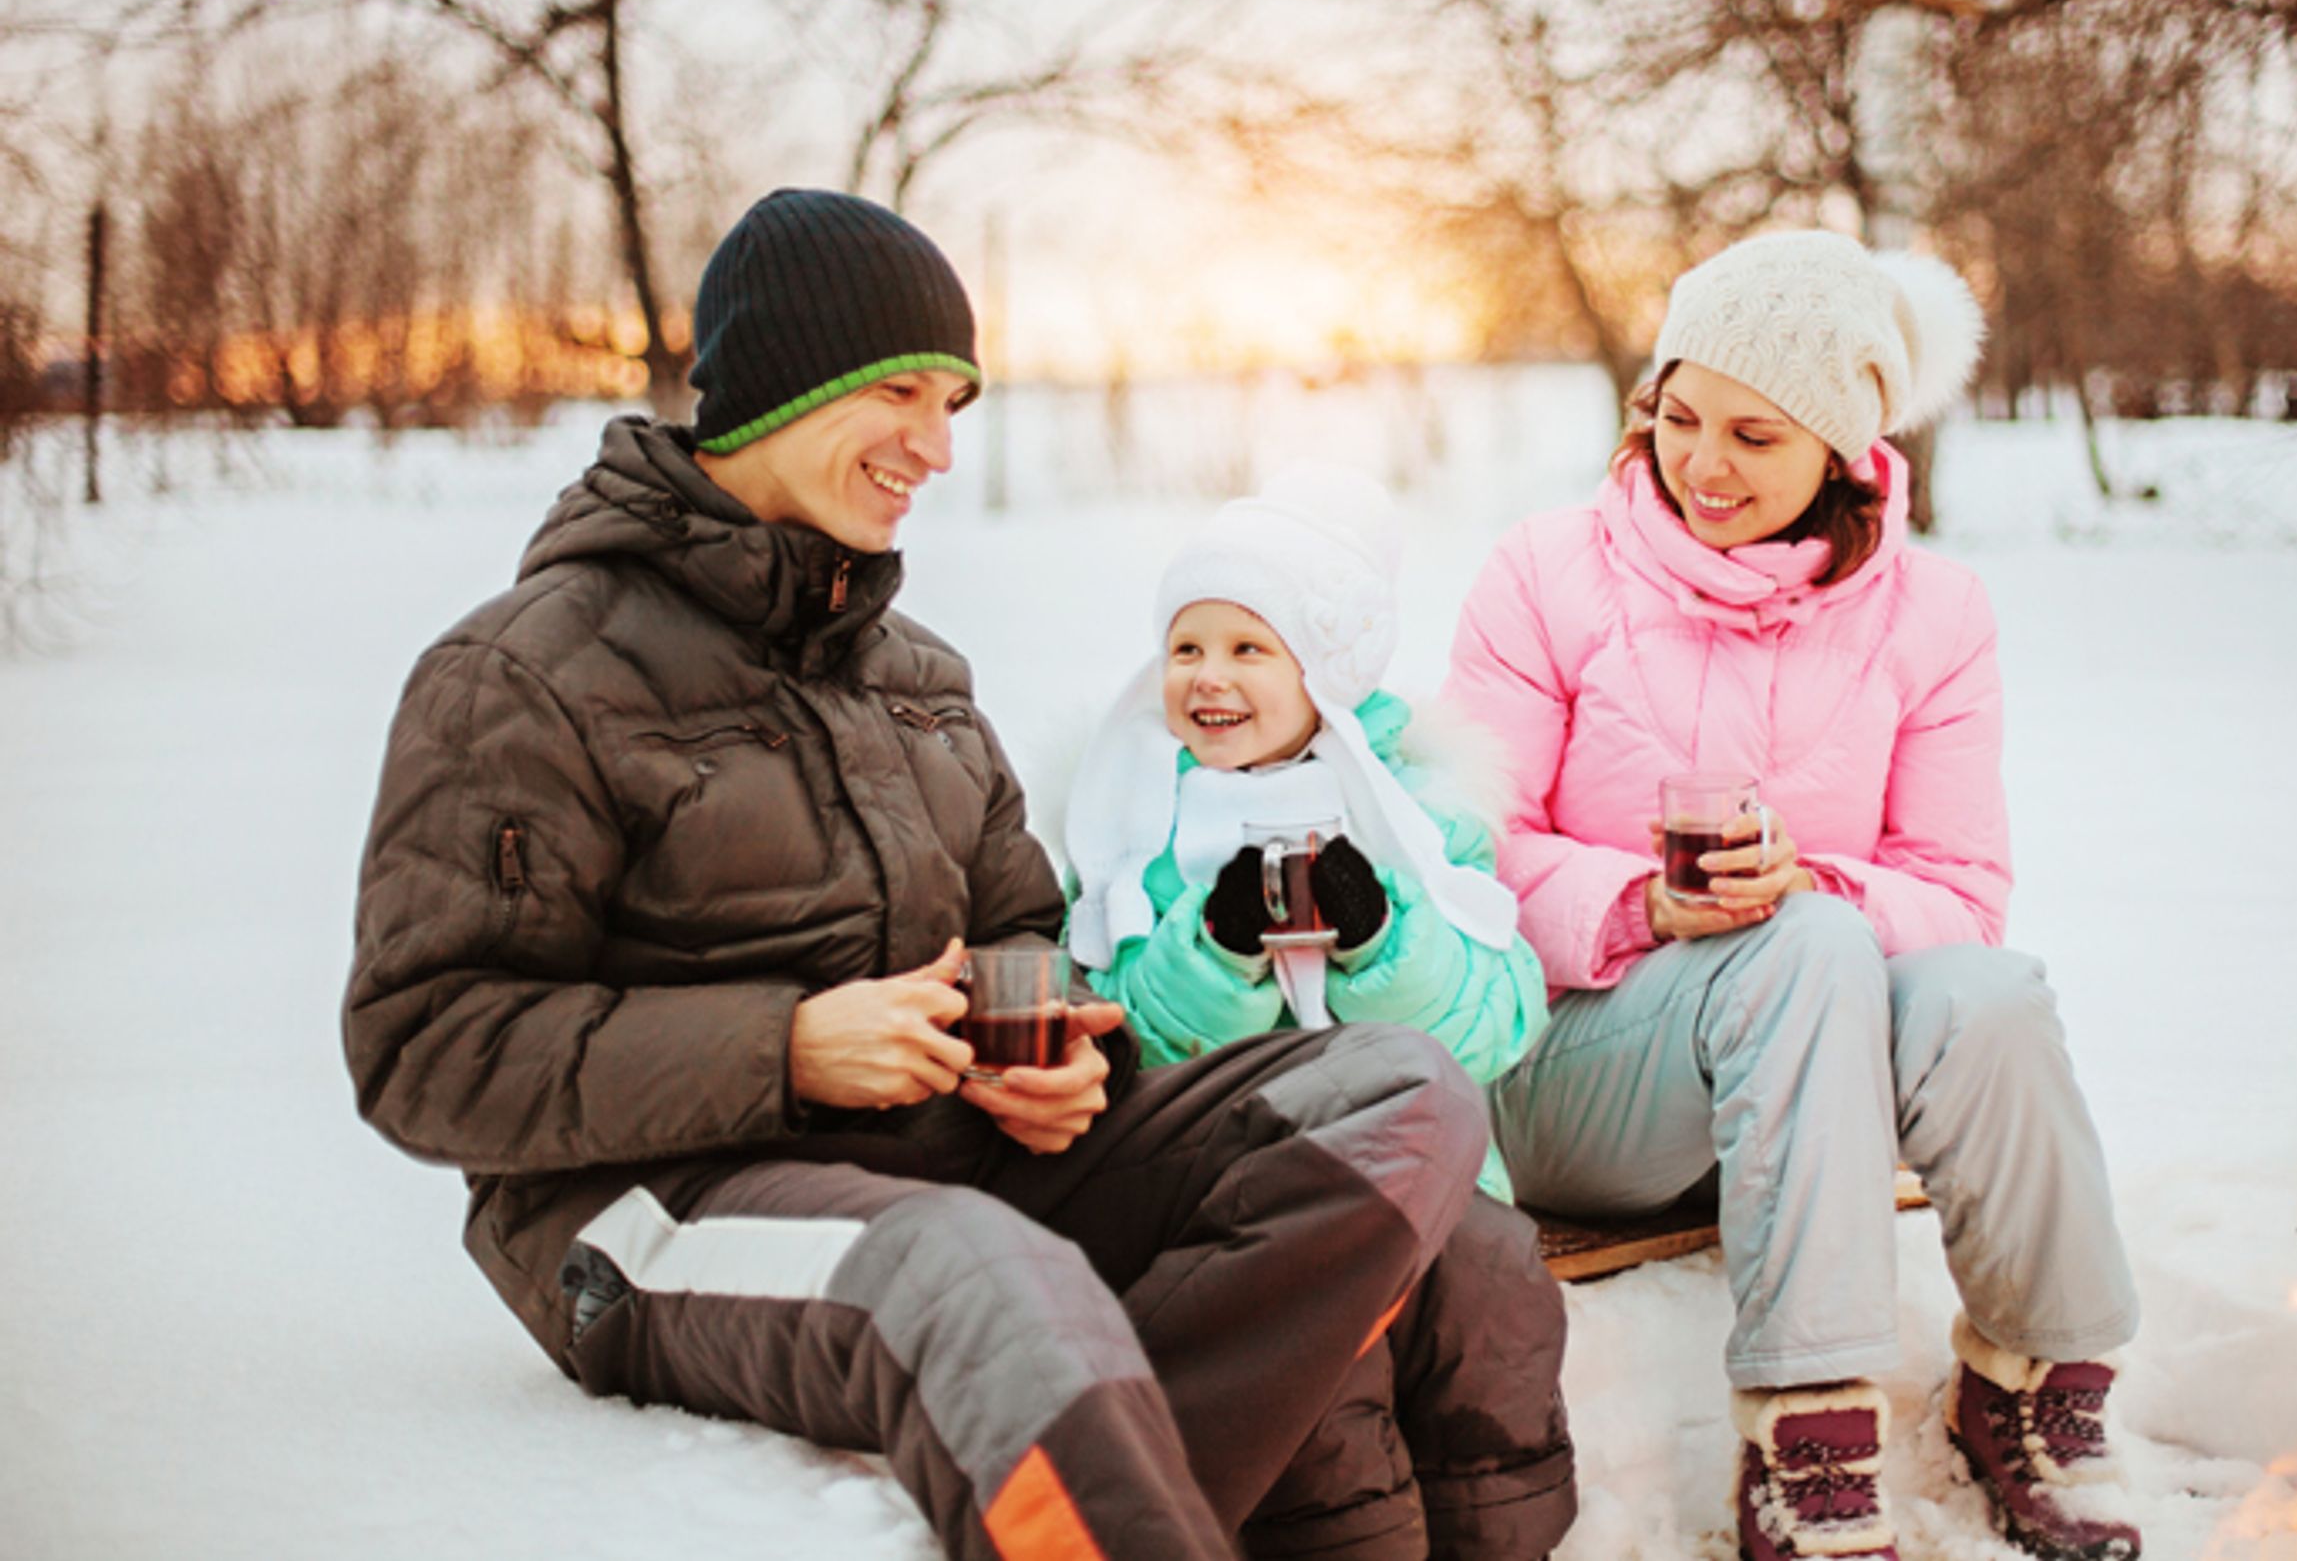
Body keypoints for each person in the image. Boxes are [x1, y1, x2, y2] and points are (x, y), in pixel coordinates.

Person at [344, 187, 1574, 1561]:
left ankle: (1113, 1457)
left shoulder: (914, 675)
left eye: (952, 405)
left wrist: (1053, 1049)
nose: (936, 448)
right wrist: (790, 1047)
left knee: (1400, 1093)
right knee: (978, 1274)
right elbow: (423, 1049)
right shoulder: (524, 674)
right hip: (652, 1208)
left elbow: (1022, 928)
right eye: (902, 395)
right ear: (779, 387)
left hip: (949, 1158)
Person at [1445, 231, 2143, 1561]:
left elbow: (1961, 895)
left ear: (1840, 448)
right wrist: (1639, 905)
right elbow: (1456, 862)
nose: (1701, 465)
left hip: (1813, 1069)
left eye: (1753, 435)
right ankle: (1807, 1435)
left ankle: (2032, 1379)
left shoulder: (1935, 614)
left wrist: (1811, 882)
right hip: (1579, 1071)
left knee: (1987, 992)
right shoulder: (1543, 573)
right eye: (1679, 417)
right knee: (1806, 941)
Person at [1063, 463, 1559, 1206]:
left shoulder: (1415, 816)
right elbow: (1111, 1041)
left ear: (1323, 677)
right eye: (1186, 649)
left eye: (1247, 649)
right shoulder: (1127, 833)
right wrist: (1216, 956)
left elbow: (1493, 1029)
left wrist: (1380, 941)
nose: (1207, 676)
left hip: (1413, 1177)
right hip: (1211, 1182)